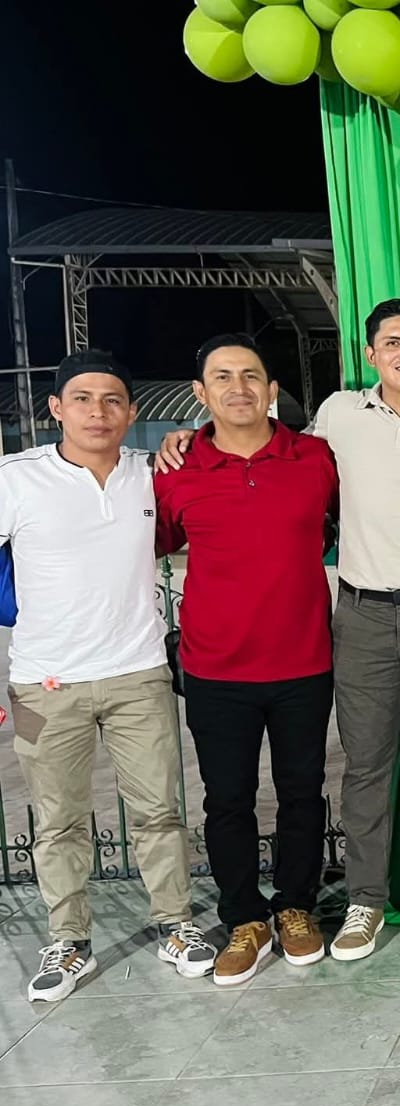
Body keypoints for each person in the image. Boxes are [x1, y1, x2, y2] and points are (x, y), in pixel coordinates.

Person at [159, 298, 400, 962]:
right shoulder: (336, 418)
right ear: (370, 354)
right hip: (361, 615)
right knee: (365, 768)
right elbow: (258, 446)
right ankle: (365, 901)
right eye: (391, 342)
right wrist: (186, 437)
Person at [2, 350, 216, 1001]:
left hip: (138, 676)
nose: (98, 412)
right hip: (42, 685)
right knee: (58, 820)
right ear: (56, 408)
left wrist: (183, 441)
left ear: (131, 410)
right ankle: (68, 941)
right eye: (83, 399)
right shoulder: (17, 478)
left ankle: (175, 924)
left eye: (113, 400)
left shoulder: (148, 474)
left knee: (159, 812)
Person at [155, 334, 339, 986]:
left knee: (301, 792)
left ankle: (295, 906)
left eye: (252, 375)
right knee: (227, 799)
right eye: (223, 377)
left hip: (303, 662)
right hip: (216, 668)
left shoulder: (315, 458)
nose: (239, 388)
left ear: (272, 389)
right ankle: (243, 918)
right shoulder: (175, 471)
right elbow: (144, 543)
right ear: (201, 394)